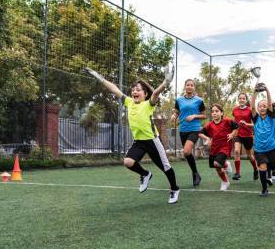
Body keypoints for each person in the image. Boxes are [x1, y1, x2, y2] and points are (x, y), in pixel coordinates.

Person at [83, 66, 180, 204]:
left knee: (165, 167)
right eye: (133, 89)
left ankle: (174, 189)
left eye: (138, 89)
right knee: (128, 162)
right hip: (139, 142)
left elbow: (156, 93)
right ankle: (145, 174)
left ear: (145, 94)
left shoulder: (148, 104)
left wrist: (166, 82)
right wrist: (100, 78)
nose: (134, 91)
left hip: (152, 141)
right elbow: (114, 89)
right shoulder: (129, 102)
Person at [250, 82, 275, 196]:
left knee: (273, 167)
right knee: (263, 167)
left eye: (264, 106)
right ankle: (264, 189)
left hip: (272, 148)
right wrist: (255, 92)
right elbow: (251, 106)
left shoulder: (270, 117)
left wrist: (267, 90)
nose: (263, 107)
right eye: (260, 106)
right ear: (258, 108)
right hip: (259, 149)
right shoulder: (255, 119)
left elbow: (270, 104)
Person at [171, 79, 206, 187]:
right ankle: (196, 174)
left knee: (186, 152)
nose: (189, 87)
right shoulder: (179, 100)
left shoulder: (199, 101)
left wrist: (194, 116)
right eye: (188, 85)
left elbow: (204, 115)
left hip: (194, 129)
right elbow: (177, 111)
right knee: (188, 153)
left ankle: (195, 174)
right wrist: (174, 116)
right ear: (185, 86)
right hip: (183, 129)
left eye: (191, 85)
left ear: (194, 87)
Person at [199, 104, 239, 191]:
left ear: (221, 113)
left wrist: (232, 134)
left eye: (217, 111)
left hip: (225, 147)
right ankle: (225, 177)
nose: (214, 113)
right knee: (216, 167)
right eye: (213, 111)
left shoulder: (227, 121)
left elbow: (236, 127)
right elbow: (200, 133)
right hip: (214, 148)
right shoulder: (209, 125)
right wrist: (207, 139)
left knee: (216, 163)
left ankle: (224, 179)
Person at [231, 93, 258, 181]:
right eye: (240, 98)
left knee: (249, 155)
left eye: (243, 98)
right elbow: (234, 121)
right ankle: (237, 173)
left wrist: (246, 124)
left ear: (246, 100)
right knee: (236, 151)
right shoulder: (234, 110)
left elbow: (255, 124)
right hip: (237, 134)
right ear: (238, 99)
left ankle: (255, 169)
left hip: (248, 135)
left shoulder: (250, 110)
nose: (241, 100)